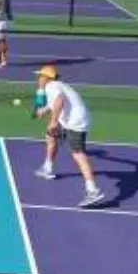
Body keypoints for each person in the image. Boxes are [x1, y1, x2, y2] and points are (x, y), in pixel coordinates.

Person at [33, 65, 104, 208]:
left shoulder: (51, 86)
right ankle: (48, 168)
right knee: (51, 136)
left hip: (75, 121)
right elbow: (56, 103)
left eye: (40, 76)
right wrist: (45, 110)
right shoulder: (57, 85)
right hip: (70, 119)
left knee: (77, 153)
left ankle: (92, 190)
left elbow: (60, 101)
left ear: (47, 78)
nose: (38, 78)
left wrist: (53, 122)